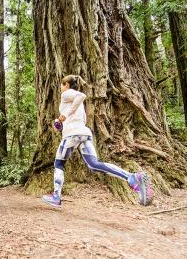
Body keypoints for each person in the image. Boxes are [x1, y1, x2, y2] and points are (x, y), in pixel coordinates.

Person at [42, 75, 154, 208]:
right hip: (83, 133)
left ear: (66, 84)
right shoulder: (77, 105)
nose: (60, 88)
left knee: (59, 164)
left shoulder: (67, 94)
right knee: (94, 164)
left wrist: (65, 115)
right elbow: (77, 120)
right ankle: (132, 177)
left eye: (61, 85)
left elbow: (81, 96)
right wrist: (59, 123)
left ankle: (56, 197)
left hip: (72, 135)